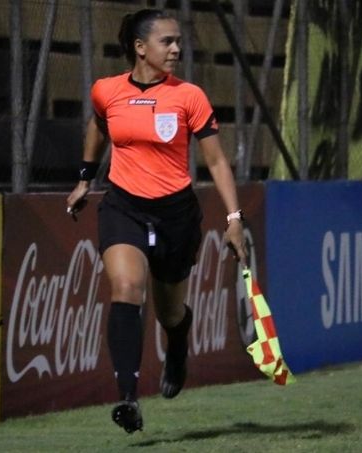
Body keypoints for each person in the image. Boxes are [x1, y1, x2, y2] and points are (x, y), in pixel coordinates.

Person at [66, 8, 248, 434]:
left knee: (169, 313)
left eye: (178, 41)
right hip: (123, 205)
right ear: (140, 47)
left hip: (176, 214)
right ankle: (128, 397)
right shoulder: (106, 91)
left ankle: (178, 346)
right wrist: (84, 180)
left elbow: (218, 162)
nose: (177, 49)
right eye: (167, 42)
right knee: (126, 288)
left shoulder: (189, 96)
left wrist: (234, 219)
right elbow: (98, 127)